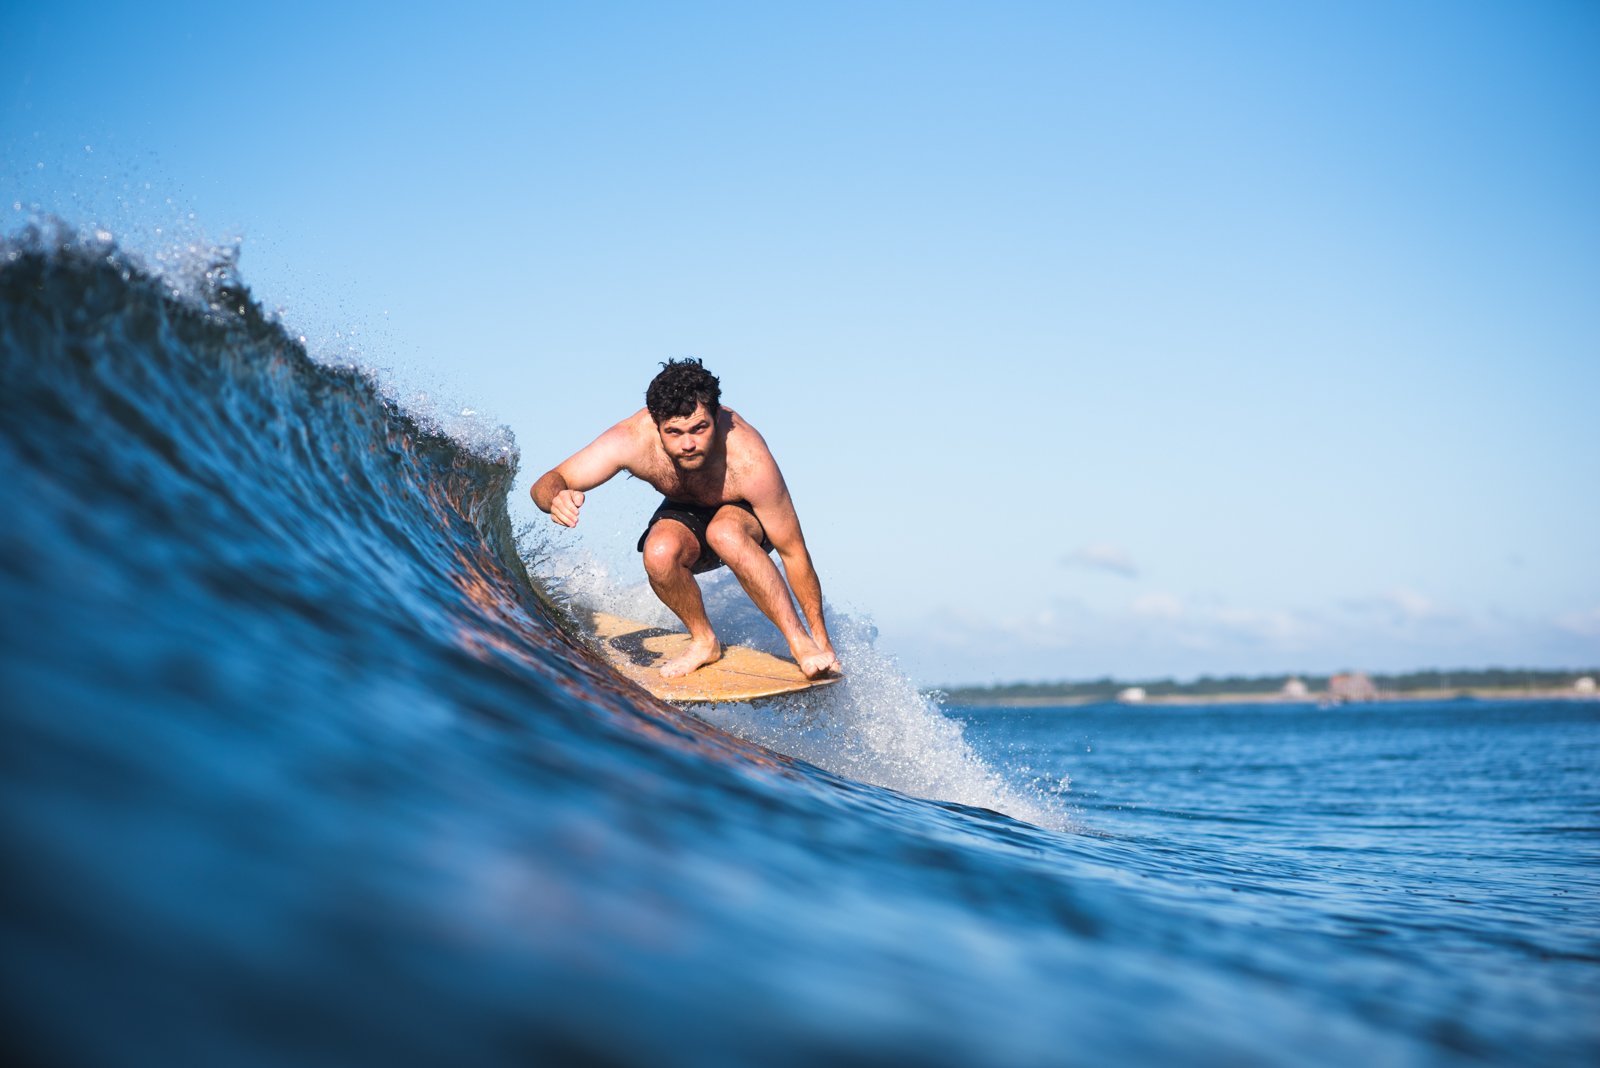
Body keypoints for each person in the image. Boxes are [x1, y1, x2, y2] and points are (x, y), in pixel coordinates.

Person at [531, 359, 841, 681]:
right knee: (659, 552)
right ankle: (704, 641)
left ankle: (800, 642)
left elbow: (794, 552)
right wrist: (556, 497)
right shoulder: (631, 439)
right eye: (674, 433)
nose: (688, 444)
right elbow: (549, 480)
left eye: (699, 429)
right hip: (686, 509)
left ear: (716, 416)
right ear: (656, 424)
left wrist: (822, 643)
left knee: (725, 533)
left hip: (743, 517)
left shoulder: (749, 459)